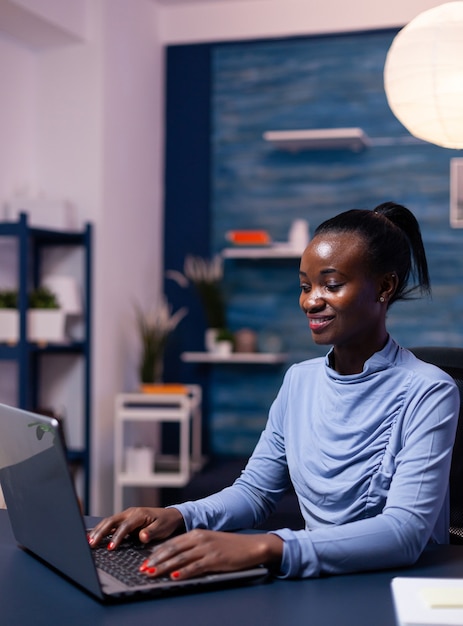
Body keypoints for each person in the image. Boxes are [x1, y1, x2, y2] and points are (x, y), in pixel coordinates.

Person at [88, 202, 460, 580]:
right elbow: (255, 492)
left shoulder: (429, 391)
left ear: (385, 286)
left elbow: (405, 532)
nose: (311, 300)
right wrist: (178, 515)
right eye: (305, 285)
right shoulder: (299, 381)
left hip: (400, 589)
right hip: (320, 581)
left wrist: (269, 546)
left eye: (331, 284)